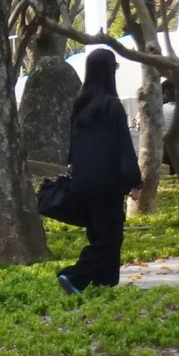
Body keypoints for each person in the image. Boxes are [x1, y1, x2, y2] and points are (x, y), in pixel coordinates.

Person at [58, 49, 142, 294]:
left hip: (83, 182)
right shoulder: (111, 106)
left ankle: (104, 283)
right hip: (107, 185)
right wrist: (134, 182)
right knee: (110, 239)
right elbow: (122, 146)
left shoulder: (80, 106)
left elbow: (72, 148)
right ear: (108, 72)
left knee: (98, 234)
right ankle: (73, 276)